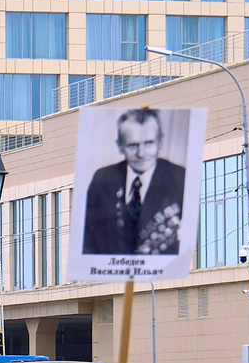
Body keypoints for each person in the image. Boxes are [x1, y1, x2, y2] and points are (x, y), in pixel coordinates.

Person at [80, 107, 187, 255]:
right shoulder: (102, 179)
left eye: (149, 143)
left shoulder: (180, 178)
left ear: (160, 143)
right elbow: (86, 239)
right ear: (120, 146)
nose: (141, 154)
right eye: (132, 145)